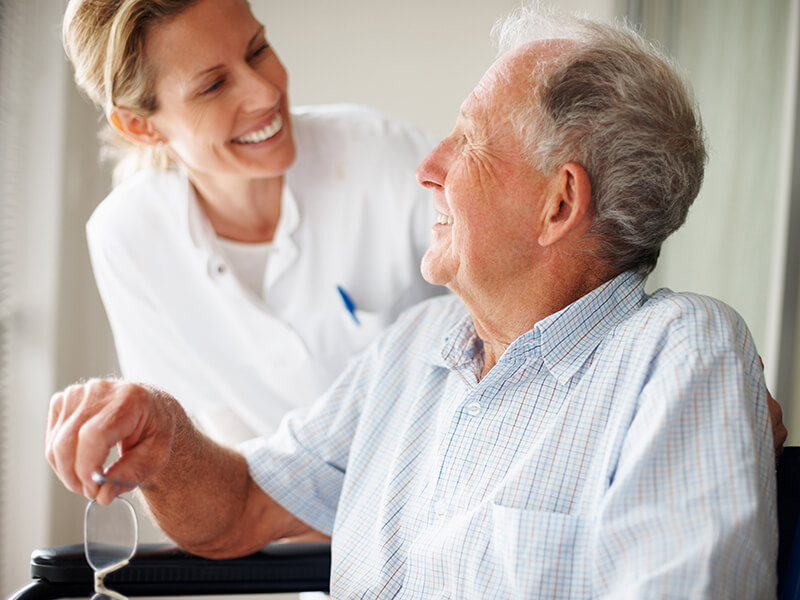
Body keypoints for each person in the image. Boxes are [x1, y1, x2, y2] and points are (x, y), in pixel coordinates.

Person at [48, 5, 780, 597]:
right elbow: (238, 507)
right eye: (212, 83)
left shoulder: (678, 354)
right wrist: (164, 438)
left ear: (559, 204)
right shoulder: (414, 347)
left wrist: (726, 397)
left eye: (465, 142)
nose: (427, 167)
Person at [62, 0, 443, 446]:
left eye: (257, 49)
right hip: (285, 502)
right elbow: (203, 441)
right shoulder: (127, 238)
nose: (265, 93)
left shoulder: (381, 154)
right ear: (140, 127)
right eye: (214, 85)